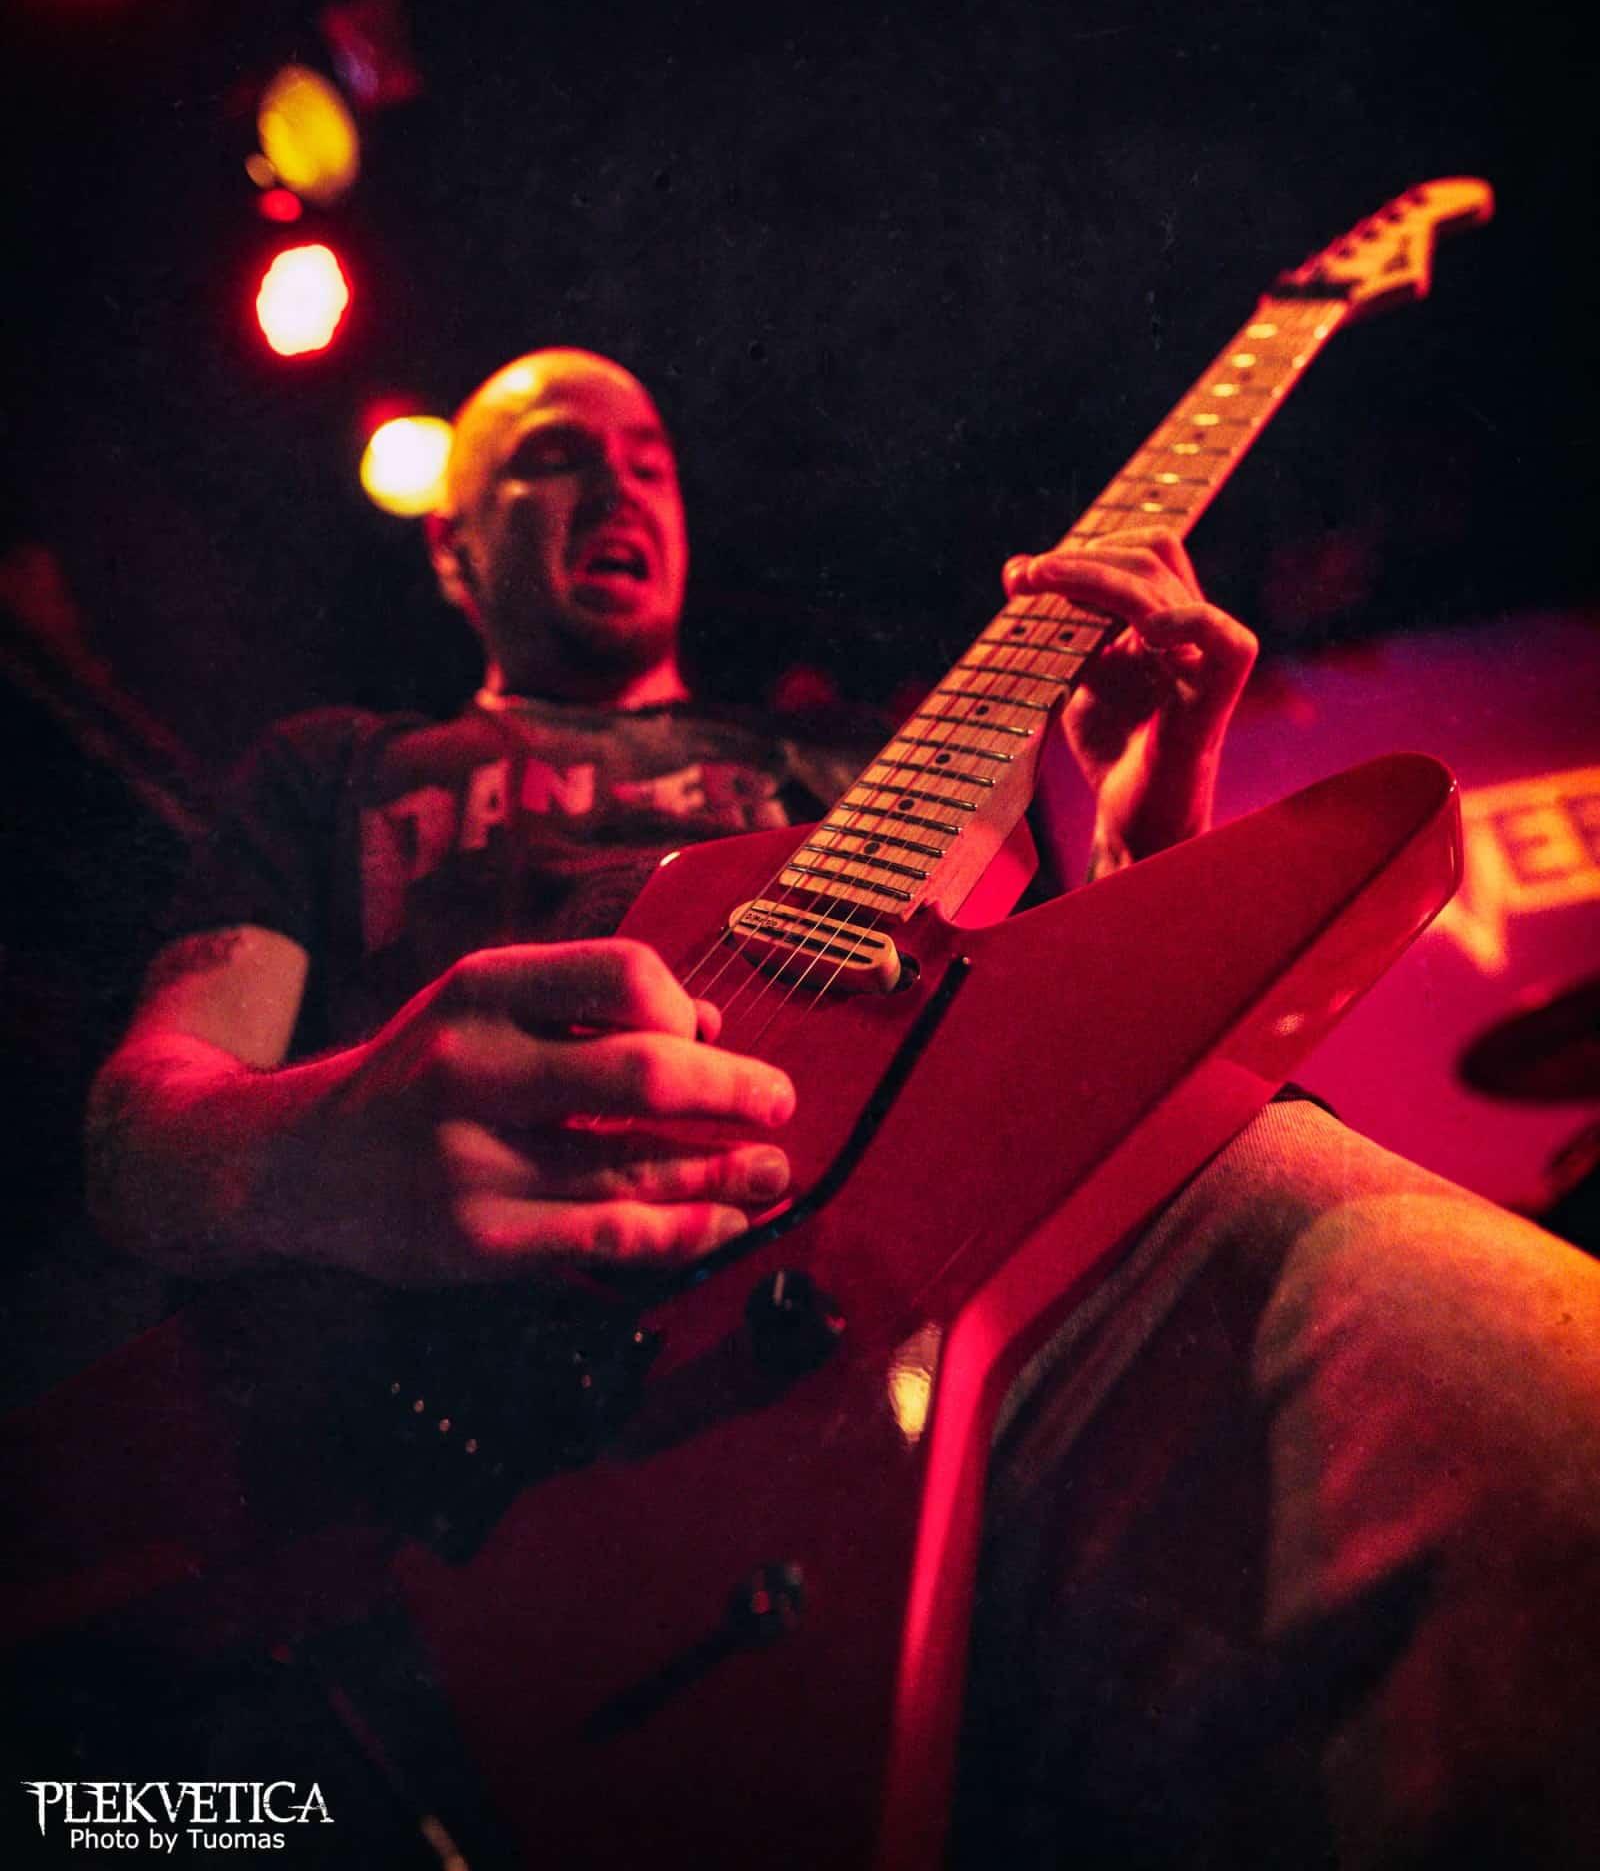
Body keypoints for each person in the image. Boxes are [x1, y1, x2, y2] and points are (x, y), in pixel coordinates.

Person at [86, 349, 1600, 1867]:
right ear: (452, 542)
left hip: (960, 1335)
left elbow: (1046, 1088)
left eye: (652, 459)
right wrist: (323, 1146)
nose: (619, 484)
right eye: (555, 454)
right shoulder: (340, 769)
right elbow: (143, 1129)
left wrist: (1145, 837)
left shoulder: (853, 771)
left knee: (1515, 1397)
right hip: (447, 1460)